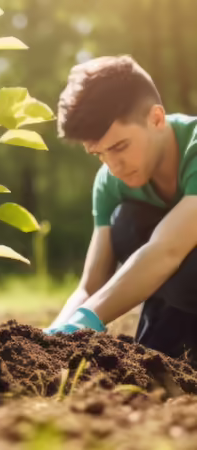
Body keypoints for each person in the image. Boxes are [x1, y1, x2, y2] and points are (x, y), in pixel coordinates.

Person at [44, 55, 197, 362]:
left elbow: (167, 250)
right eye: (99, 154)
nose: (113, 167)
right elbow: (91, 285)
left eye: (119, 146)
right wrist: (52, 338)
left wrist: (86, 319)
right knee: (125, 224)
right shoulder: (111, 183)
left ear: (156, 119)